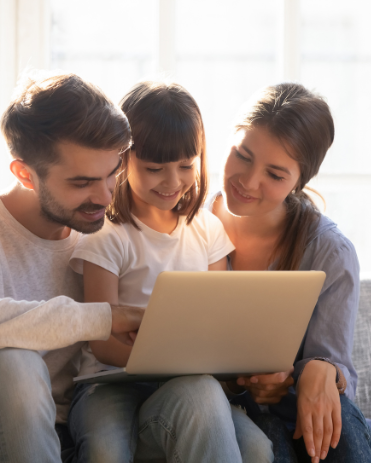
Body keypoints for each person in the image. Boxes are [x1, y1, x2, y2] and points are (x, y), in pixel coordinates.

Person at [0, 72, 144, 463]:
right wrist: (101, 318)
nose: (105, 195)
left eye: (113, 173)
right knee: (14, 361)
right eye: (82, 182)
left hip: (69, 439)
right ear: (25, 174)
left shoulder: (104, 238)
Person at [67, 81, 273, 463]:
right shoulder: (108, 237)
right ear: (121, 161)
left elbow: (221, 317)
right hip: (110, 383)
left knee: (258, 449)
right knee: (106, 451)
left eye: (186, 166)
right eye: (154, 168)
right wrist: (162, 354)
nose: (173, 181)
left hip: (186, 381)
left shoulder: (207, 230)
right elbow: (100, 338)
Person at [210, 82, 371, 463]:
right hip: (224, 413)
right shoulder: (186, 229)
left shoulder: (328, 250)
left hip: (306, 415)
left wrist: (316, 370)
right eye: (242, 155)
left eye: (275, 175)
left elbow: (336, 375)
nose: (248, 180)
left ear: (299, 182)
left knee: (325, 406)